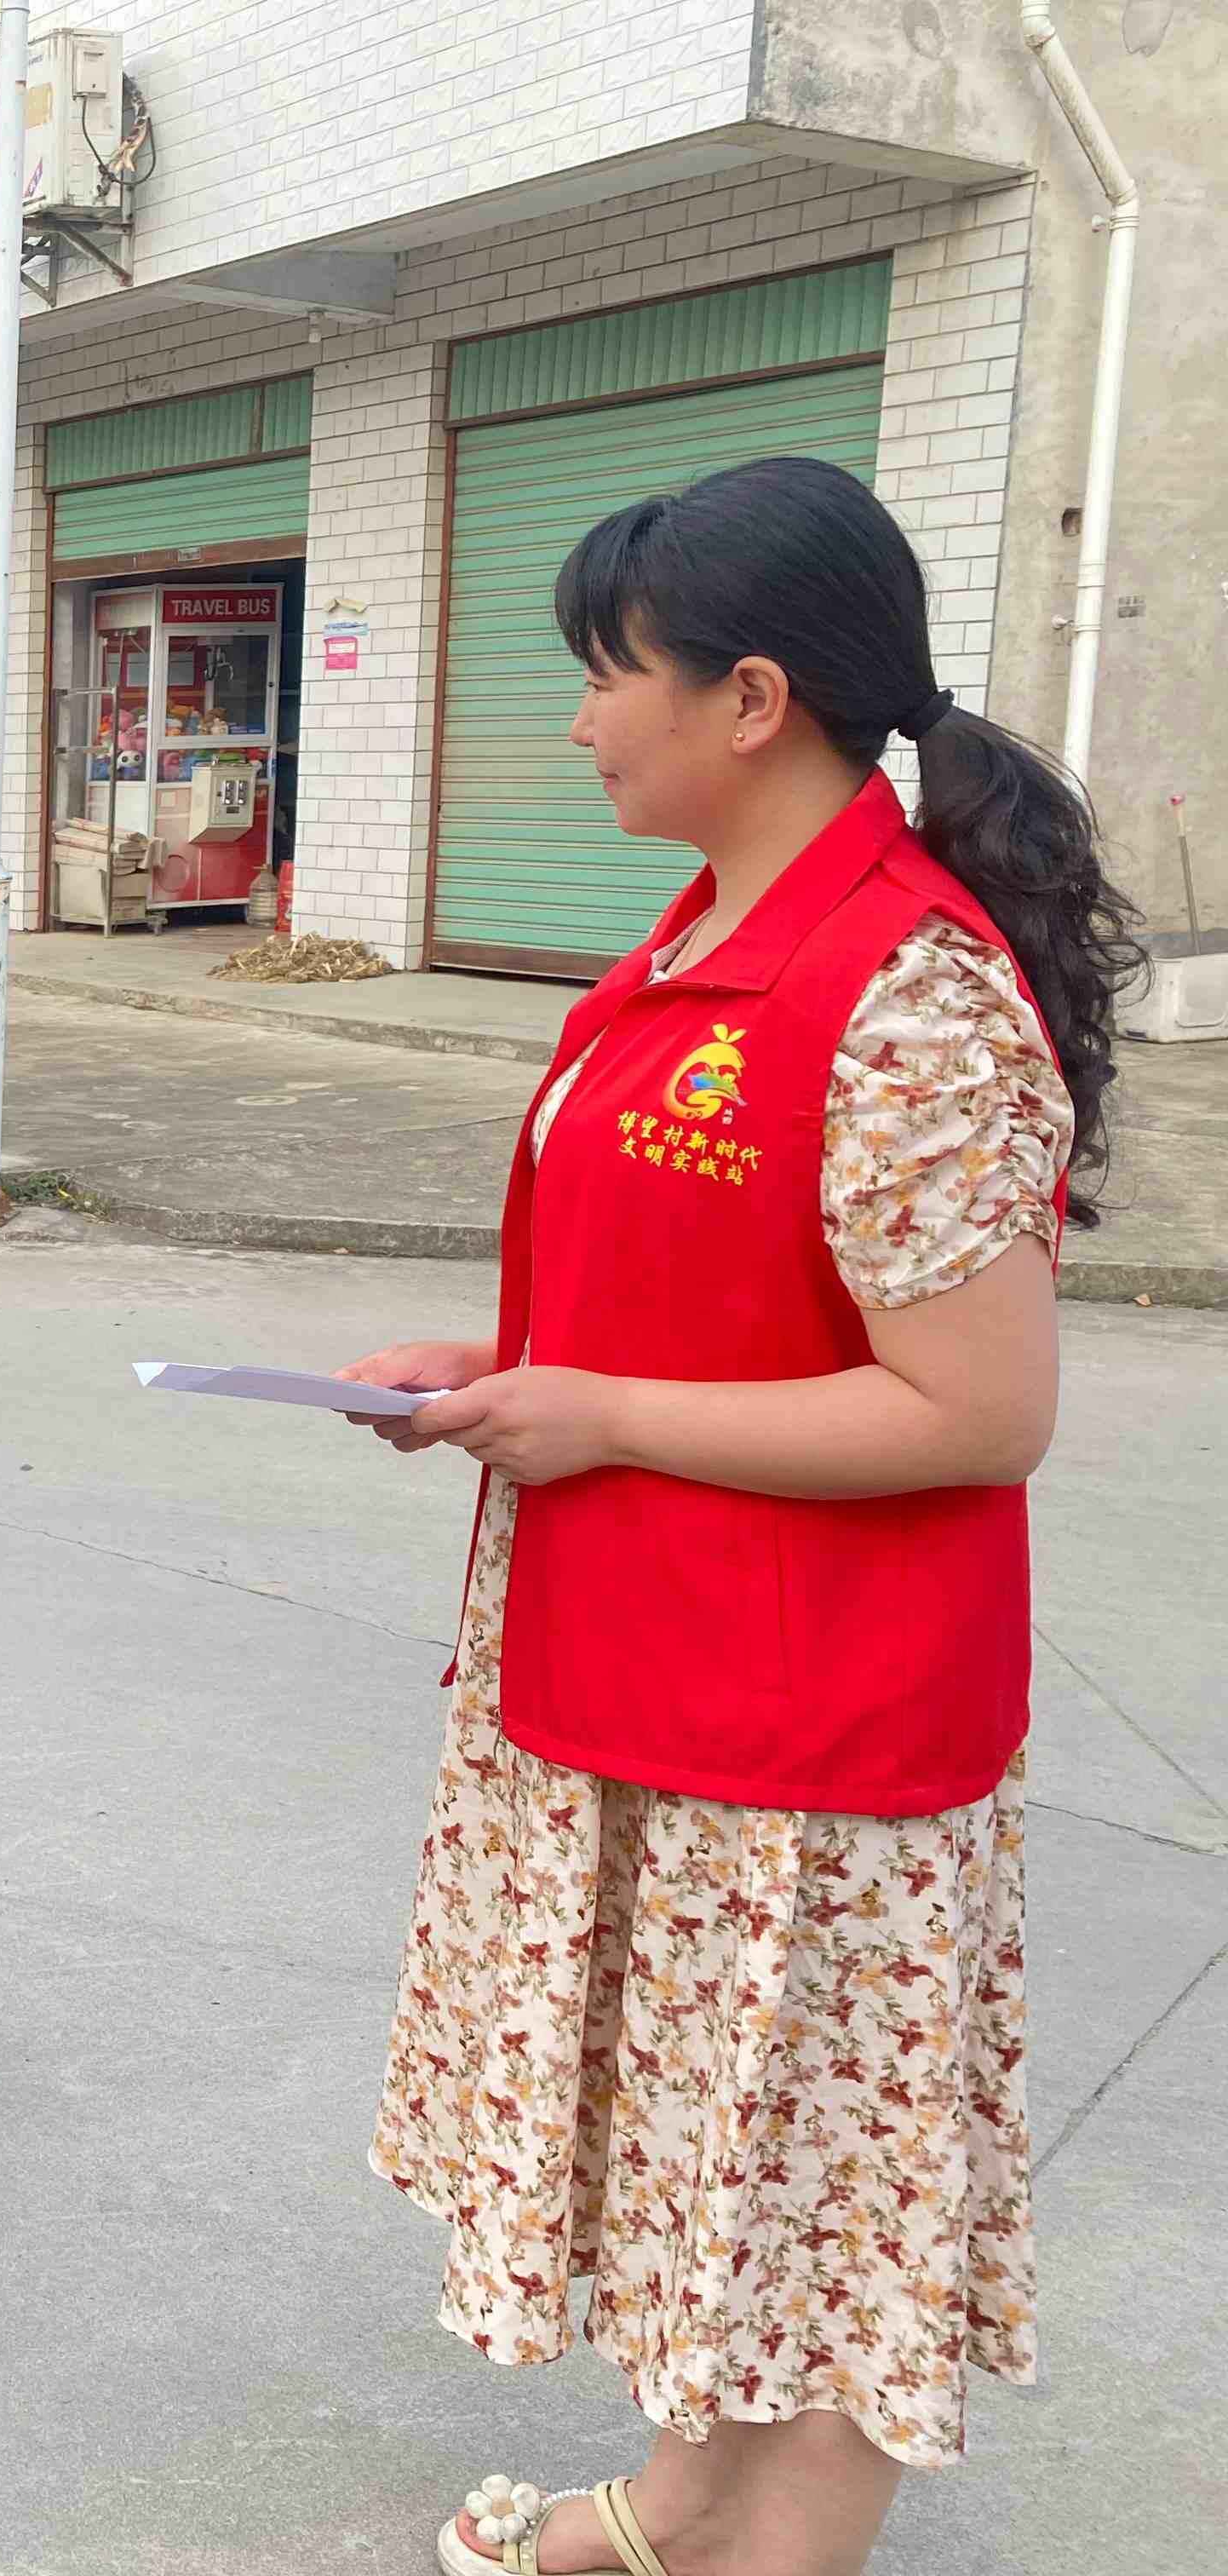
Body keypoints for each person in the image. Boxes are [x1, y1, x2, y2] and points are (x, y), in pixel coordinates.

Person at [336, 457, 1136, 2576]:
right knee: (724, 2172)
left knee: (821, 2196)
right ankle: (683, 2502)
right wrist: (499, 1367)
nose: (581, 721)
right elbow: (706, 1293)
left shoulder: (912, 992)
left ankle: (775, 2554)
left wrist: (601, 1412)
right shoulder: (707, 934)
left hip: (810, 1730)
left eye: (612, 675)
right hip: (653, 1670)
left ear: (753, 697)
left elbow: (977, 1410)